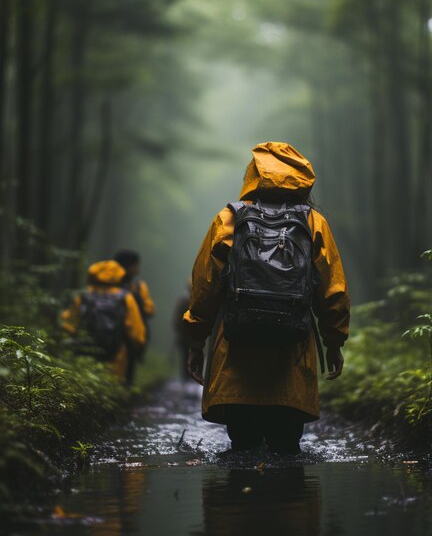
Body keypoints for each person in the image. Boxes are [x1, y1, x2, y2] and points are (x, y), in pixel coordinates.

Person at [183, 142, 350, 453]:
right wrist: (334, 341)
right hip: (292, 356)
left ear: (253, 175)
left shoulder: (229, 218)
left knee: (241, 456)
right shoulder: (314, 222)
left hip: (236, 355)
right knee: (287, 455)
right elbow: (332, 289)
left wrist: (196, 340)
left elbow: (205, 286)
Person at [62, 260, 146, 382]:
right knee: (111, 387)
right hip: (116, 356)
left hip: (83, 355)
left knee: (81, 385)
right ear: (118, 275)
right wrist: (139, 345)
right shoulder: (125, 297)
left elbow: (68, 324)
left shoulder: (84, 295)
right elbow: (137, 334)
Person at [113, 249, 156, 384]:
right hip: (130, 338)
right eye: (136, 265)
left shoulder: (107, 284)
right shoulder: (138, 287)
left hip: (107, 334)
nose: (138, 268)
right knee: (126, 375)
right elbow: (150, 311)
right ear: (130, 266)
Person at [173, 278, 192, 381]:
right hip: (187, 335)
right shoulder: (186, 299)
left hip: (186, 335)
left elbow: (176, 319)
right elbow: (177, 319)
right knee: (187, 357)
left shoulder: (184, 298)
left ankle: (186, 380)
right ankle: (187, 380)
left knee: (186, 357)